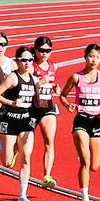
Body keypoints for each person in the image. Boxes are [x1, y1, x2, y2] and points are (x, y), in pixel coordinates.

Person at [59, 43, 100, 201]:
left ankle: (82, 153)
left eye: (97, 57)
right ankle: (85, 198)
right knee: (85, 161)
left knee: (95, 166)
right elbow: (62, 95)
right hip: (81, 121)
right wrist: (67, 104)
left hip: (97, 121)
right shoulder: (76, 77)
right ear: (85, 57)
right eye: (91, 56)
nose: (94, 60)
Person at [0, 46, 41, 201]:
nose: (27, 63)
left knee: (26, 158)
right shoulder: (13, 78)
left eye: (30, 60)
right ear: (17, 61)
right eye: (24, 60)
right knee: (6, 163)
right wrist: (11, 103)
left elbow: (38, 103)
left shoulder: (34, 80)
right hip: (10, 121)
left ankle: (22, 195)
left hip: (26, 122)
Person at [32, 36, 60, 189]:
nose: (45, 53)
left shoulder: (53, 66)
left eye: (48, 51)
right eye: (42, 50)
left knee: (49, 141)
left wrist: (55, 87)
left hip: (47, 107)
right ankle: (15, 151)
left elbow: (52, 84)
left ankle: (47, 176)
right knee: (21, 144)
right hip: (31, 108)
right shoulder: (31, 66)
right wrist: (38, 82)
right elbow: (26, 83)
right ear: (35, 50)